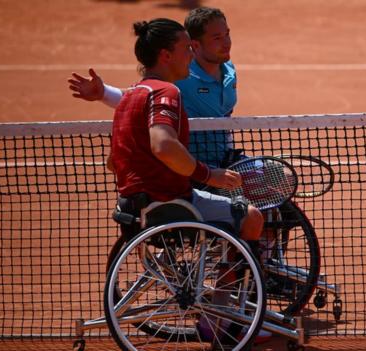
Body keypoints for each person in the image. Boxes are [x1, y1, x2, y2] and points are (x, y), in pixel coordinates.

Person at [103, 17, 271, 346]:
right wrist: (210, 175)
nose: (190, 57)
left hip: (134, 206)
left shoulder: (130, 98)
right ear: (166, 55)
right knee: (252, 217)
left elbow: (113, 161)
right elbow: (164, 145)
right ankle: (225, 317)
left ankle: (224, 308)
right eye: (185, 50)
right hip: (172, 204)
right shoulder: (167, 92)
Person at [69, 7, 237, 167]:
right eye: (217, 38)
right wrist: (103, 93)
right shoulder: (181, 74)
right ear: (196, 45)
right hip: (191, 167)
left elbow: (224, 116)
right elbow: (142, 97)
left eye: (227, 34)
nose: (227, 42)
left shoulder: (228, 69)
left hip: (222, 160)